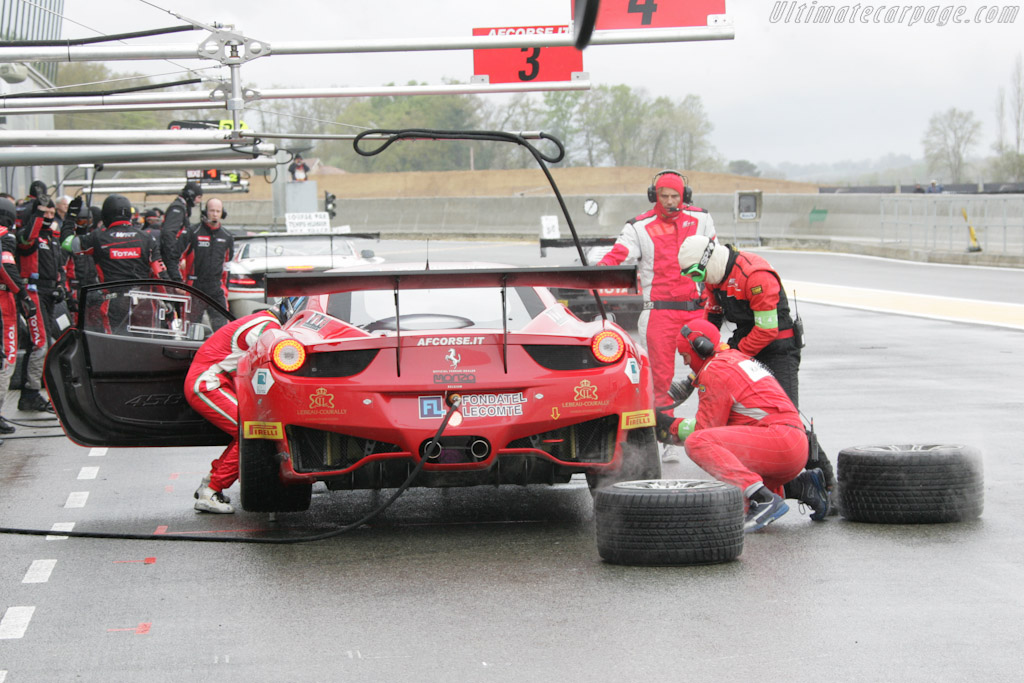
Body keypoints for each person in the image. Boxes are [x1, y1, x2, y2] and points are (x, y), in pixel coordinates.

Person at [677, 234, 839, 501]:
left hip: (777, 349)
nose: (698, 280)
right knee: (746, 421)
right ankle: (782, 486)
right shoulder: (712, 279)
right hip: (746, 349)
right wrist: (701, 364)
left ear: (710, 259)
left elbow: (766, 330)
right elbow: (709, 324)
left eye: (697, 273)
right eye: (691, 276)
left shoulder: (755, 275)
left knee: (786, 420)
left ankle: (828, 483)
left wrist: (732, 361)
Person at [656, 318, 829, 531]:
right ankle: (801, 487)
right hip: (790, 444)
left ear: (700, 347)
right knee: (733, 498)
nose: (684, 363)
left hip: (779, 442)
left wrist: (668, 427)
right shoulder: (734, 358)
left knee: (698, 444)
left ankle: (763, 499)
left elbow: (704, 432)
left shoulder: (715, 370)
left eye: (684, 356)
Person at [598, 170, 716, 411]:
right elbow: (618, 255)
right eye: (664, 196)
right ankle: (666, 440)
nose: (670, 201)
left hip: (696, 310)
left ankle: (712, 427)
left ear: (684, 195)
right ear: (655, 196)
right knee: (659, 382)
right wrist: (599, 271)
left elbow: (715, 257)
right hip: (659, 314)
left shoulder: (702, 219)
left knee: (715, 370)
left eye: (675, 196)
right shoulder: (638, 226)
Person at [189, 309, 282, 513]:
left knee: (243, 433)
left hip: (210, 382)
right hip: (209, 384)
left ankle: (210, 484)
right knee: (251, 433)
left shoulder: (260, 320)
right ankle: (211, 491)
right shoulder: (268, 327)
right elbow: (267, 366)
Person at [61, 194, 167, 332]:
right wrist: (168, 301)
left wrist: (70, 217)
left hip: (114, 302)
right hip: (144, 302)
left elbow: (66, 243)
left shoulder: (98, 237)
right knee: (146, 347)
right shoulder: (147, 238)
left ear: (106, 215)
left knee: (115, 347)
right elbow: (160, 271)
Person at [14, 193, 58, 413]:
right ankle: (30, 394)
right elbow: (27, 237)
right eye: (44, 212)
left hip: (49, 293)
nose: (48, 216)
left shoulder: (51, 237)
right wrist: (38, 212)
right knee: (40, 344)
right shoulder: (26, 236)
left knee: (45, 343)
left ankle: (35, 392)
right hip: (33, 294)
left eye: (52, 212)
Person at [0, 197, 32, 433]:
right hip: (3, 304)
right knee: (7, 359)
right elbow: (6, 268)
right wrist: (23, 295)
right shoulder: (5, 236)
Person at [183, 197, 233, 330]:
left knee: (222, 329)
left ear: (223, 213)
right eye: (212, 211)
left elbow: (228, 265)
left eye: (218, 211)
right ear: (206, 211)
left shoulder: (227, 236)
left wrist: (225, 288)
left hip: (216, 288)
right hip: (196, 287)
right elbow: (178, 257)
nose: (215, 214)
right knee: (192, 329)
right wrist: (181, 283)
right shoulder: (193, 231)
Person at [160, 181, 202, 282]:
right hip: (172, 260)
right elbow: (168, 233)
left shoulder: (181, 207)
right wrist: (174, 258)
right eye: (199, 197)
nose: (199, 201)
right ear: (191, 195)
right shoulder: (178, 208)